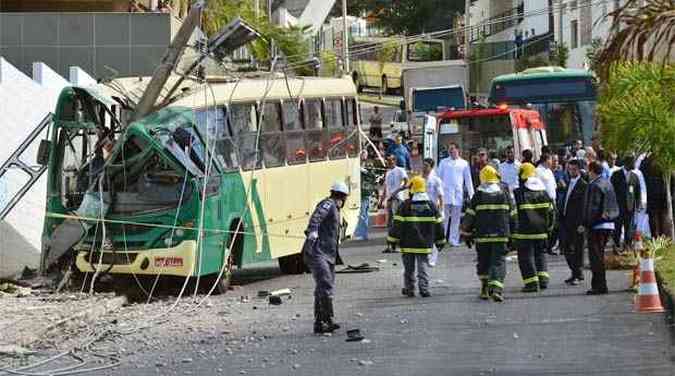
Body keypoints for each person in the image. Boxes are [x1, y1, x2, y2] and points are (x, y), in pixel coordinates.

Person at [461, 166, 516, 302]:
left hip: (482, 236)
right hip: (501, 234)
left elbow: (469, 216)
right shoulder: (503, 193)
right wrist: (514, 234)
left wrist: (466, 233)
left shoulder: (478, 195)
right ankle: (496, 288)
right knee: (498, 261)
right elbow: (513, 215)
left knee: (484, 261)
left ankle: (485, 288)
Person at [388, 176, 446, 298]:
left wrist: (392, 240)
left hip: (407, 244)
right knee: (422, 267)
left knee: (408, 269)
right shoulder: (431, 205)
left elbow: (397, 224)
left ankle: (409, 289)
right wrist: (440, 241)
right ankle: (424, 289)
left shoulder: (405, 205)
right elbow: (439, 225)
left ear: (411, 189)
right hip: (424, 244)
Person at [304, 182, 350, 334]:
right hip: (318, 252)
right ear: (341, 196)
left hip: (328, 255)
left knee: (322, 288)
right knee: (326, 286)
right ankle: (328, 320)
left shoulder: (336, 209)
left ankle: (319, 323)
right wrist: (312, 231)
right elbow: (316, 218)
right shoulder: (328, 204)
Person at [513, 163, 555, 292]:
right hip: (542, 232)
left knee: (526, 257)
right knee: (540, 254)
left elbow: (514, 214)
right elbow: (551, 212)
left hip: (524, 233)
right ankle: (543, 280)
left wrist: (513, 233)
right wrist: (549, 229)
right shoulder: (543, 192)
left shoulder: (519, 193)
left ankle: (531, 283)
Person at [582, 161, 619, 295]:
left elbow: (593, 207)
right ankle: (600, 284)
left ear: (592, 170)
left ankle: (599, 285)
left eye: (588, 170)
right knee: (600, 255)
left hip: (597, 225)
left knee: (595, 257)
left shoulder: (595, 186)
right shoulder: (607, 182)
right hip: (609, 223)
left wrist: (585, 223)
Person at [436, 143, 474, 247]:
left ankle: (453, 239)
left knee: (456, 219)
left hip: (458, 194)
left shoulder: (464, 163)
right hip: (445, 194)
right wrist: (438, 194)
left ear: (458, 150)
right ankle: (442, 239)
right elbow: (438, 178)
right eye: (449, 149)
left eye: (452, 149)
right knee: (444, 218)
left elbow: (468, 180)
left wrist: (472, 196)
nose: (450, 151)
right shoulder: (443, 162)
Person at [560, 159, 588, 285]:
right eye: (569, 169)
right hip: (566, 221)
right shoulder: (568, 182)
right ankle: (574, 271)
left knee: (578, 249)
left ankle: (578, 273)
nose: (571, 171)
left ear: (579, 170)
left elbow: (584, 206)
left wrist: (583, 223)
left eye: (574, 169)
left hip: (578, 223)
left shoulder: (583, 185)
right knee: (566, 247)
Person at [610, 155, 642, 252]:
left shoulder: (634, 176)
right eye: (632, 162)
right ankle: (616, 245)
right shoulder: (616, 175)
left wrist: (638, 204)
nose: (634, 164)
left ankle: (627, 246)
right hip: (618, 207)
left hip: (630, 207)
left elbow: (638, 192)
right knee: (617, 227)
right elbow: (611, 191)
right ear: (626, 163)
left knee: (629, 228)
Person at [379, 154, 408, 253]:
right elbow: (385, 188)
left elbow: (406, 183)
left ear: (395, 161)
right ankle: (390, 245)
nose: (389, 162)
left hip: (397, 199)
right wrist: (381, 200)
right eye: (387, 160)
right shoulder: (388, 172)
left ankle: (399, 245)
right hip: (389, 200)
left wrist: (397, 191)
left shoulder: (400, 170)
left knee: (398, 222)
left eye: (391, 160)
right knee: (390, 223)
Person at [422, 158, 445, 266]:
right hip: (422, 210)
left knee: (433, 234)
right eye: (423, 165)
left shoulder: (436, 180)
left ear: (431, 167)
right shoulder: (420, 178)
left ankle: (433, 258)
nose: (424, 167)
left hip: (433, 211)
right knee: (423, 234)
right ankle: (426, 254)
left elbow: (440, 197)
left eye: (426, 165)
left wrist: (441, 211)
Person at [353, 152, 377, 241]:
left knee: (363, 214)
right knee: (364, 214)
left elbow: (372, 177)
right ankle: (363, 233)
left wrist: (364, 171)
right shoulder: (360, 166)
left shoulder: (367, 167)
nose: (363, 158)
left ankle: (362, 234)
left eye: (364, 156)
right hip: (363, 193)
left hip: (364, 194)